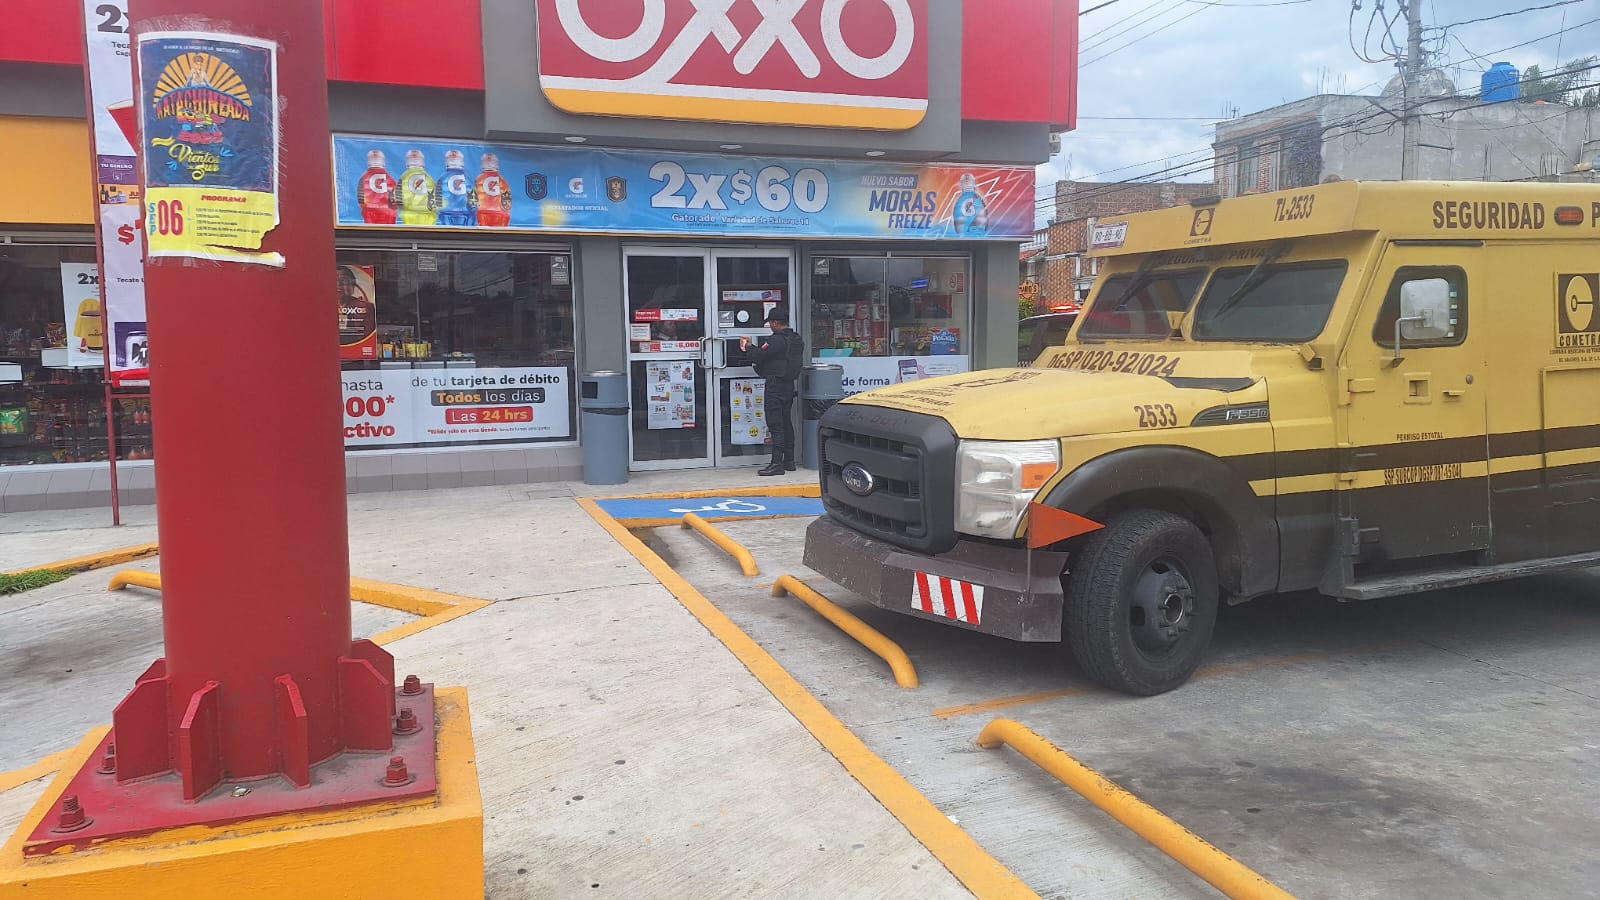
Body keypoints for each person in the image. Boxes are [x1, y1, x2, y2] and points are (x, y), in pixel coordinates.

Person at [742, 308, 804, 476]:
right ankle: (789, 461)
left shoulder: (776, 340)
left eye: (770, 322)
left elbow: (758, 356)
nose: (769, 325)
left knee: (775, 424)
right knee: (786, 422)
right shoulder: (797, 339)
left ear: (776, 323)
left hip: (775, 387)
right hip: (788, 386)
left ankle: (776, 463)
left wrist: (748, 347)